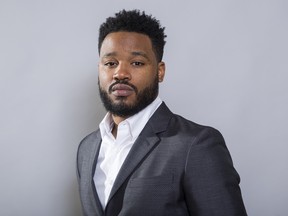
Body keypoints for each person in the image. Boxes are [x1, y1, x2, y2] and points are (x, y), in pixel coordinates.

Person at [77, 9, 247, 216]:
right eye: (110, 63)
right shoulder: (86, 149)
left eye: (137, 63)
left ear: (160, 71)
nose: (120, 73)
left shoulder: (196, 144)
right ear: (99, 69)